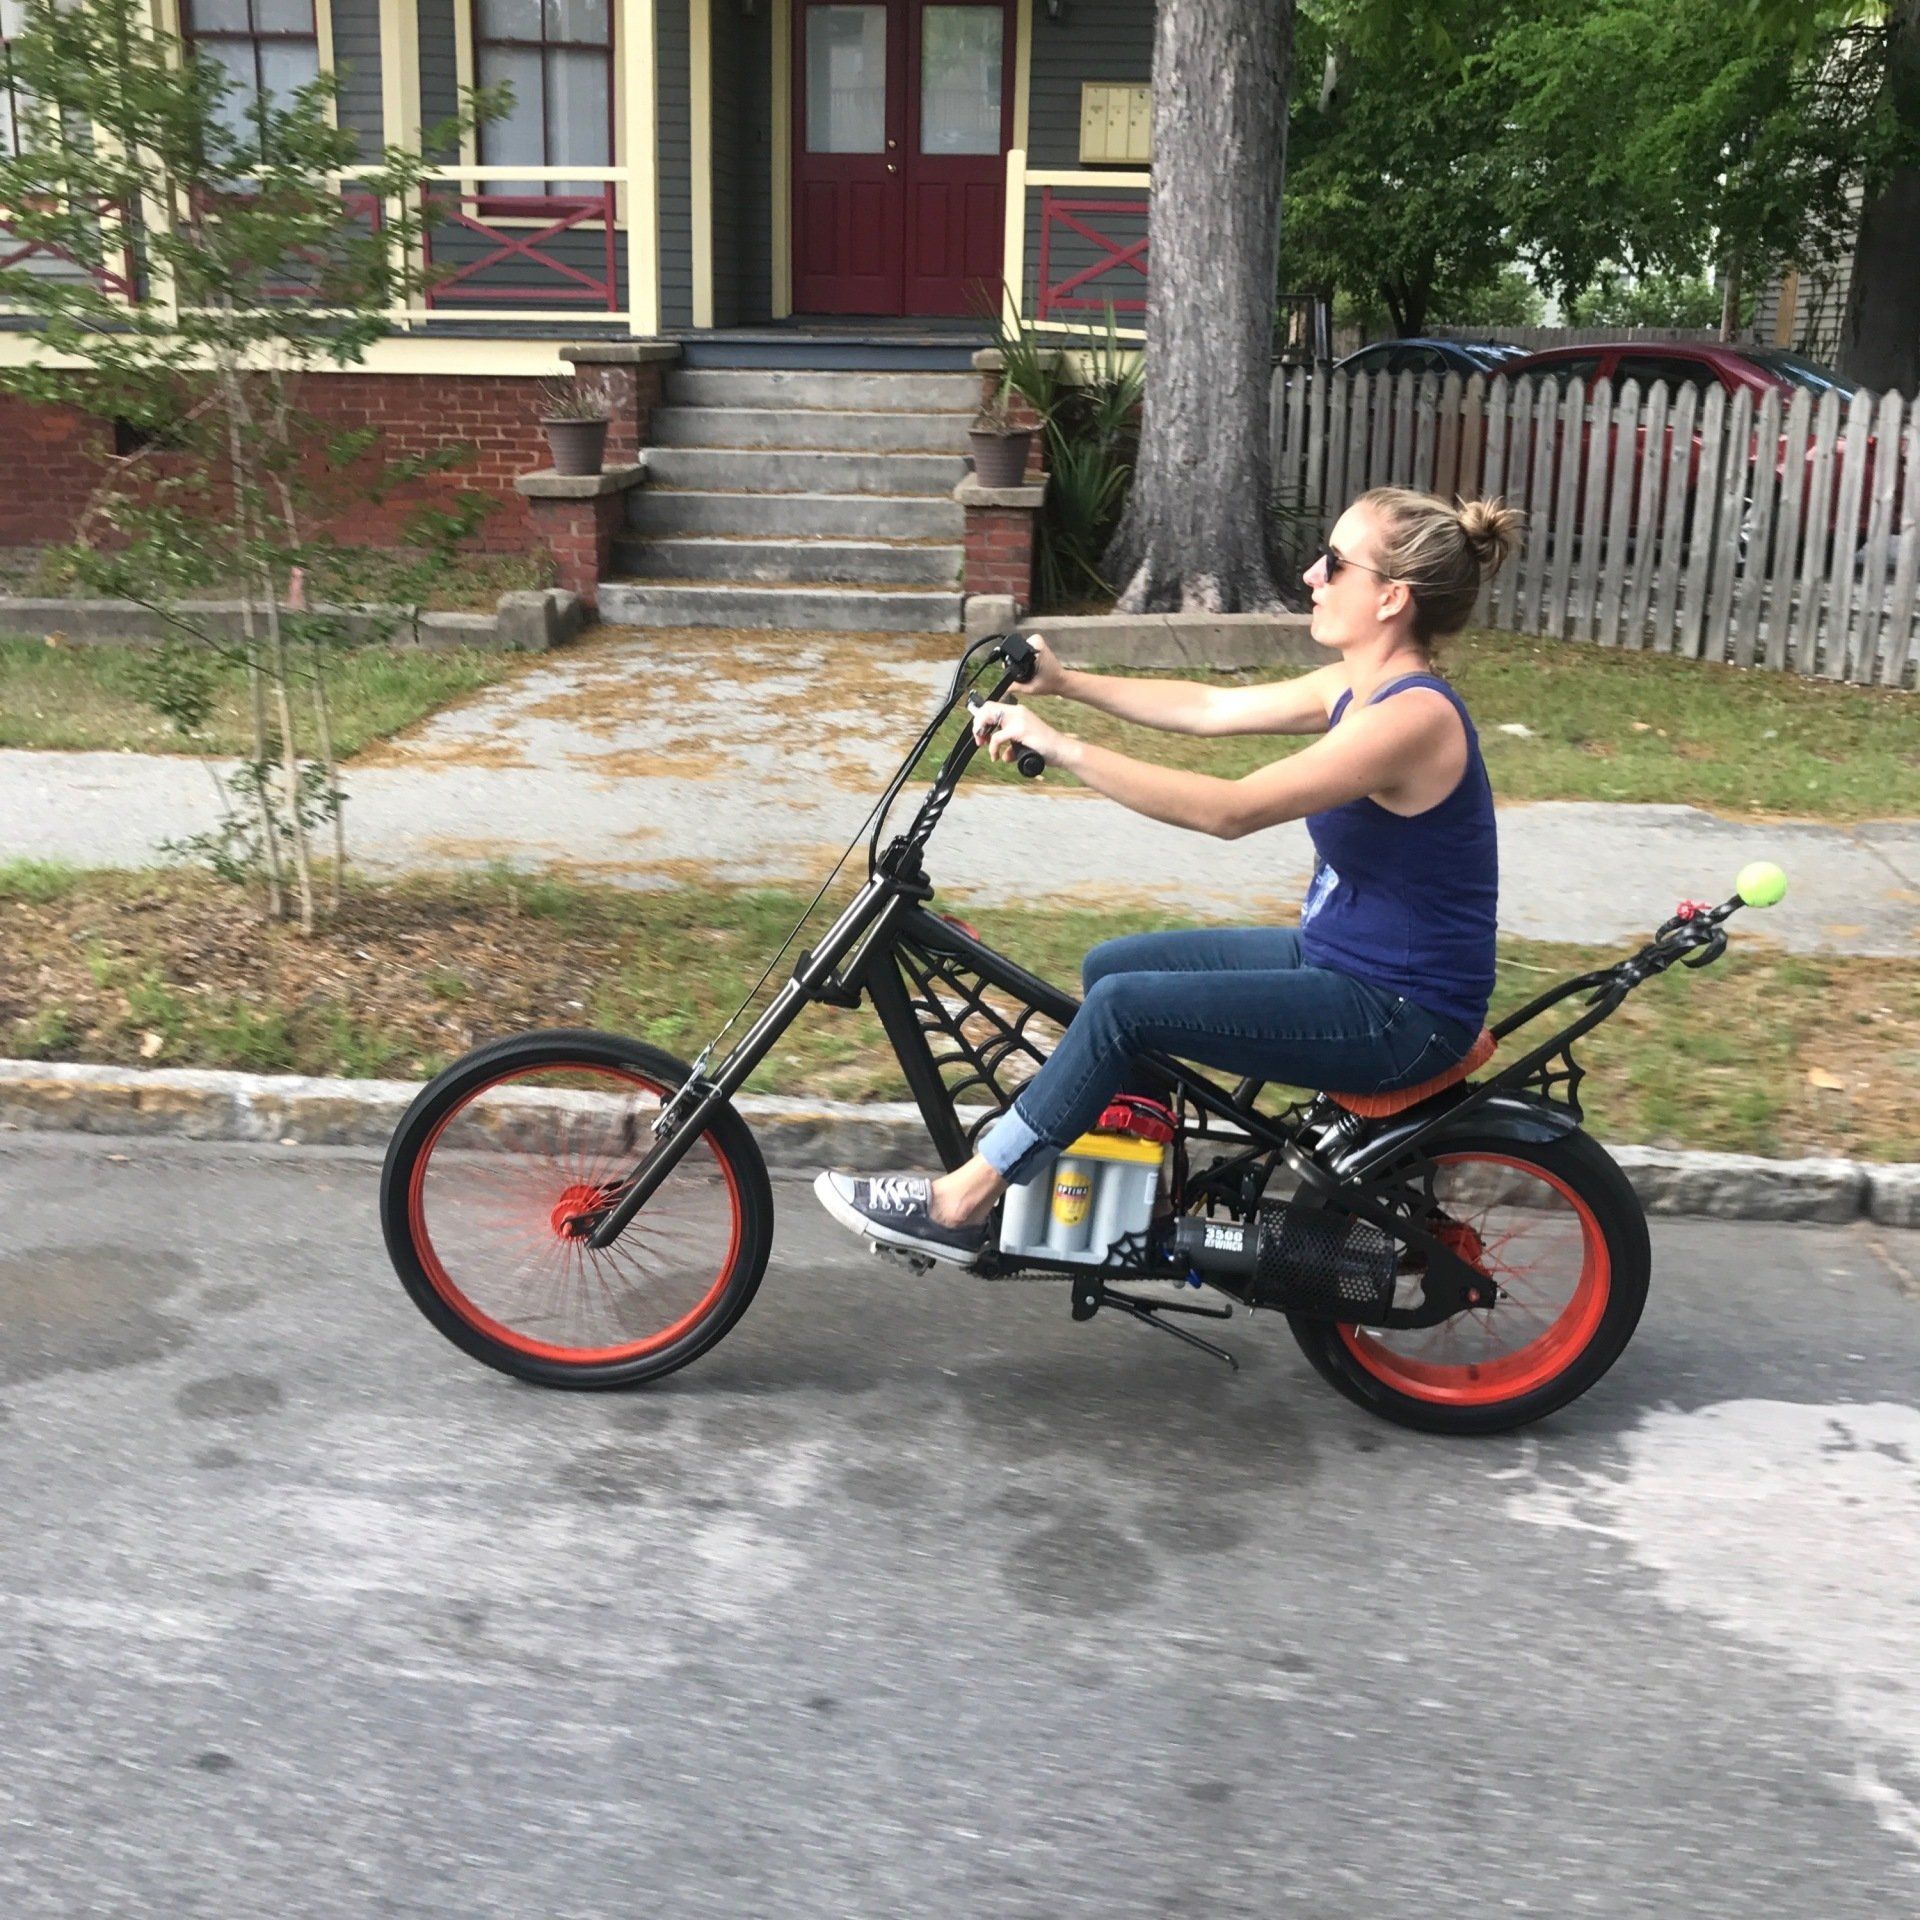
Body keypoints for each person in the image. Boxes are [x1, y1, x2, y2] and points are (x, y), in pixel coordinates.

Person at [815, 486, 1523, 1265]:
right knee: (1112, 966)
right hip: (1342, 959)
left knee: (1122, 1008)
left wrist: (1064, 749)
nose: (1310, 575)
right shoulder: (1355, 688)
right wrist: (1070, 683)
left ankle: (963, 1200)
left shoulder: (1410, 719)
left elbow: (1232, 809)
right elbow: (1208, 707)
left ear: (1391, 597)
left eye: (1334, 562)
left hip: (1402, 1012)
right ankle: (1135, 1190)